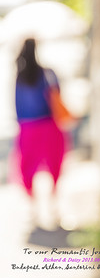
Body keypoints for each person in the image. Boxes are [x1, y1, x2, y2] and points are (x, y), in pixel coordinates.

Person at [12, 38, 65, 197]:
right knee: (54, 164)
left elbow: (17, 105)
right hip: (48, 126)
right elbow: (57, 95)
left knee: (27, 169)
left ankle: (33, 207)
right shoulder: (48, 73)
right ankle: (53, 203)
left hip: (27, 128)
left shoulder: (20, 77)